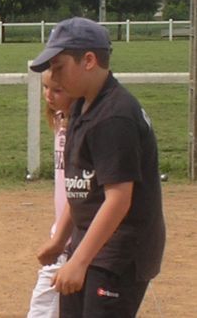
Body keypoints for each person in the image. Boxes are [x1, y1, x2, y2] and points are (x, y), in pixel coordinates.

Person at [30, 17, 165, 318]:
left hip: (118, 254)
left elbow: (118, 199)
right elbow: (82, 187)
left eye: (59, 67)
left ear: (88, 60)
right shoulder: (81, 106)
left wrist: (79, 262)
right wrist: (60, 240)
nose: (53, 76)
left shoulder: (114, 116)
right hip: (89, 245)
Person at [27, 70, 75, 318]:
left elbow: (83, 193)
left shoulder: (83, 126)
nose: (48, 95)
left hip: (72, 239)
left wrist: (59, 241)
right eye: (45, 88)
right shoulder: (60, 119)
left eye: (57, 90)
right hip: (64, 233)